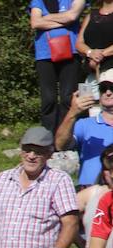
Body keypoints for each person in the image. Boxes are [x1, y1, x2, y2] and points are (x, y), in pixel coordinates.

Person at [0, 125, 79, 248]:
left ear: (49, 154)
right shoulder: (3, 178)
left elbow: (71, 222)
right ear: (21, 150)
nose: (31, 156)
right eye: (27, 149)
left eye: (38, 151)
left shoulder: (59, 180)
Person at [32, 0, 86, 133]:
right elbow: (35, 23)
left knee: (68, 97)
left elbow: (72, 16)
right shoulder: (38, 1)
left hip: (71, 52)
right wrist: (64, 20)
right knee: (48, 98)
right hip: (44, 54)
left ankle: (67, 136)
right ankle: (47, 137)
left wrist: (46, 19)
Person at [57, 68, 113, 186]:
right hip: (90, 196)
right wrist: (72, 113)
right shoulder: (85, 124)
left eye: (112, 88)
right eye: (103, 89)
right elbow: (60, 144)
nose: (108, 93)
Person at [78, 0, 113, 74]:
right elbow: (79, 43)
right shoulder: (91, 15)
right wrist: (90, 53)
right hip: (92, 71)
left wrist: (100, 55)